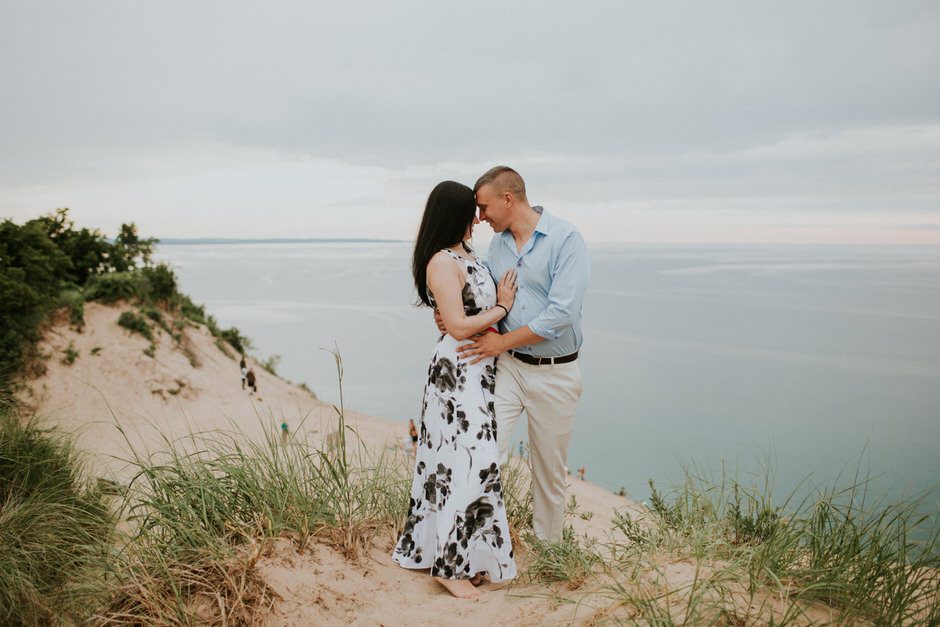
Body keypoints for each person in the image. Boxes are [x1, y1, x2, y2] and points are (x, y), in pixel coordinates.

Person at [448, 166, 591, 542]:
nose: (480, 217)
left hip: (556, 373)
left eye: (484, 207)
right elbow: (482, 293)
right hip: (509, 368)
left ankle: (549, 552)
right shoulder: (497, 246)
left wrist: (501, 342)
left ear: (508, 199)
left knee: (549, 473)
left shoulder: (566, 239)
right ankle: (475, 544)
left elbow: (562, 315)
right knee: (483, 451)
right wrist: (449, 313)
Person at [392, 181, 519, 600]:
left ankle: (465, 557)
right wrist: (501, 308)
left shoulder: (468, 255)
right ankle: (449, 567)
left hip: (480, 371)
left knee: (466, 465)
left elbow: (461, 315)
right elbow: (460, 326)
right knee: (466, 464)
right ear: (454, 214)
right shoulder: (441, 262)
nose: (478, 219)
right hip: (457, 373)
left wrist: (488, 316)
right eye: (471, 211)